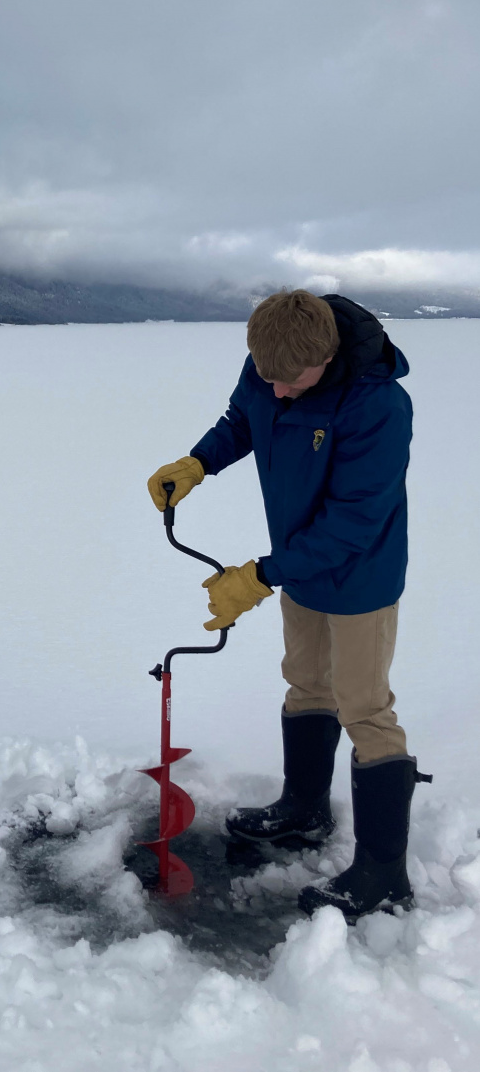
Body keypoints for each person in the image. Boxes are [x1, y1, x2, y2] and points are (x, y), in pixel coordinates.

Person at [148, 289, 429, 921]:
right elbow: (244, 419)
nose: (275, 390)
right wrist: (198, 462)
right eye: (266, 376)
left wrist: (259, 577)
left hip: (359, 578)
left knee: (364, 705)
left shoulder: (378, 405)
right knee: (306, 685)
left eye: (289, 383)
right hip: (299, 564)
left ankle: (385, 874)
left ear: (326, 359)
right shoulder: (271, 363)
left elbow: (355, 523)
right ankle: (304, 810)